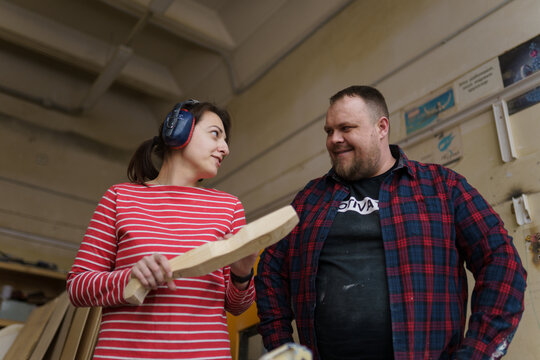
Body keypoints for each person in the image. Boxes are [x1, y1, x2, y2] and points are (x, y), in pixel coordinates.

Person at [255, 86, 527, 360]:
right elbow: (269, 270)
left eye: (346, 128)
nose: (334, 140)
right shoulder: (309, 200)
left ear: (381, 127)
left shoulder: (442, 187)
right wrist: (282, 348)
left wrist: (474, 354)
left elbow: (502, 262)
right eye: (329, 131)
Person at [67, 100, 257, 359]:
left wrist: (242, 275)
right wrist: (130, 277)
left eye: (226, 141)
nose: (224, 148)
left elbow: (237, 306)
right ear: (179, 130)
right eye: (215, 134)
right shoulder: (119, 197)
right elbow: (78, 286)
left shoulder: (229, 207)